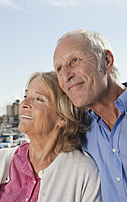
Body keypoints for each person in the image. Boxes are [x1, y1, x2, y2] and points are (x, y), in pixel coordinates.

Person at [0, 71, 102, 202]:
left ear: (62, 118)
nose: (24, 104)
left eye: (38, 99)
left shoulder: (83, 171)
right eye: (25, 97)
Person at [53, 29, 127, 202]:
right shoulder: (79, 133)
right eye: (59, 69)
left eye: (75, 60)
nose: (66, 76)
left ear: (106, 61)